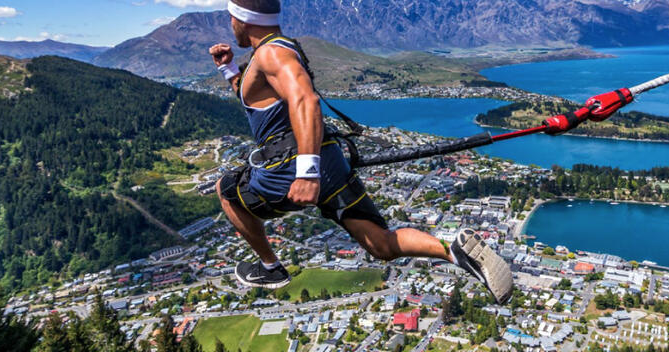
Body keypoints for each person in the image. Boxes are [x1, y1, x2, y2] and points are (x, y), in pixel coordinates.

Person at [207, 0, 512, 304]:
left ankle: (270, 267)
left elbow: (306, 101)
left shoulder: (271, 53)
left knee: (226, 189)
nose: (230, 25)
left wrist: (306, 172)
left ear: (242, 19)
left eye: (231, 18)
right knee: (381, 244)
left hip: (291, 166)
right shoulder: (277, 54)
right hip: (330, 160)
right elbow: (257, 99)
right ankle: (452, 251)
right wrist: (228, 69)